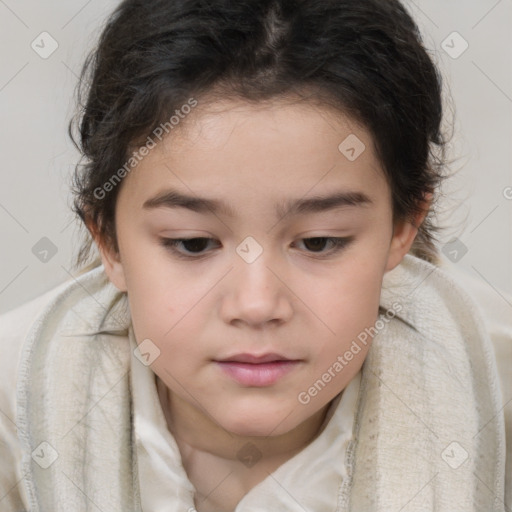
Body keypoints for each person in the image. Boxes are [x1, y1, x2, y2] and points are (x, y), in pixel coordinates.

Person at [1, 0, 510, 510]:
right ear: (107, 240)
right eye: (193, 244)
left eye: (318, 242)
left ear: (403, 227)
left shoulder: (496, 390)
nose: (256, 304)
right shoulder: (14, 411)